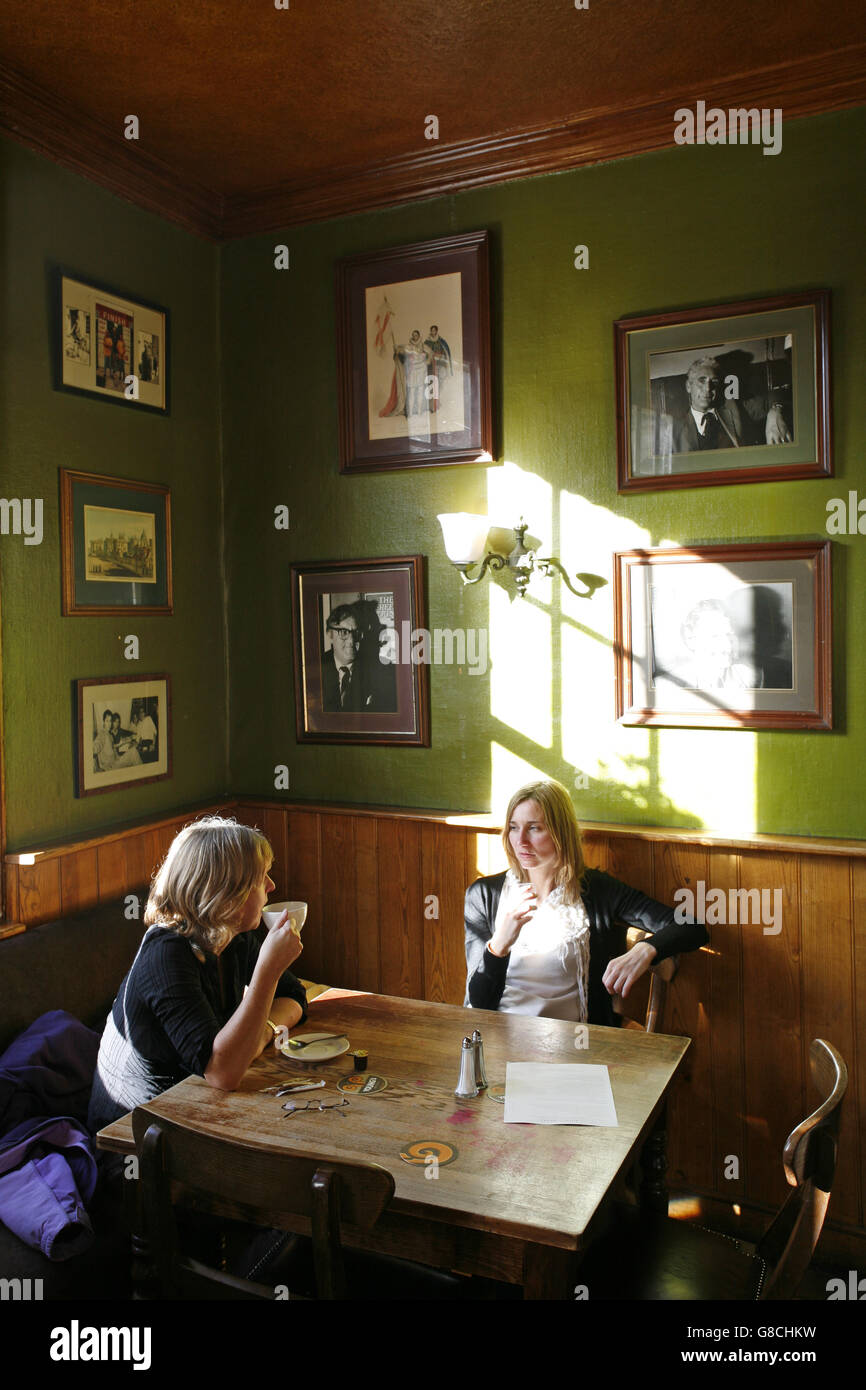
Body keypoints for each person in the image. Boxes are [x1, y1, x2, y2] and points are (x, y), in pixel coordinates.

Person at [88, 817, 307, 1133]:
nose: (272, 886)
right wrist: (268, 971)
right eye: (261, 878)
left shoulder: (233, 934)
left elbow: (294, 997)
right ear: (227, 893)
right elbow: (224, 1073)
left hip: (196, 1110)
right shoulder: (166, 956)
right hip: (134, 1137)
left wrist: (264, 1032)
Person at [465, 780, 707, 1024]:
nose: (521, 841)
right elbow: (478, 1003)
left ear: (561, 832)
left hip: (576, 1046)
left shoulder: (598, 890)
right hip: (503, 1042)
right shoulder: (484, 895)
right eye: (514, 827)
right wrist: (498, 946)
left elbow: (692, 927)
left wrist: (646, 950)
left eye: (534, 828)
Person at [671, 357, 790, 454]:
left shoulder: (734, 407)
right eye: (702, 381)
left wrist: (776, 411)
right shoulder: (675, 430)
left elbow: (780, 394)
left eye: (714, 382)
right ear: (688, 386)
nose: (708, 388)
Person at [320, 603, 397, 713]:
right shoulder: (314, 668)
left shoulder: (378, 672)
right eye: (344, 632)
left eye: (356, 633)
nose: (351, 641)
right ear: (330, 635)